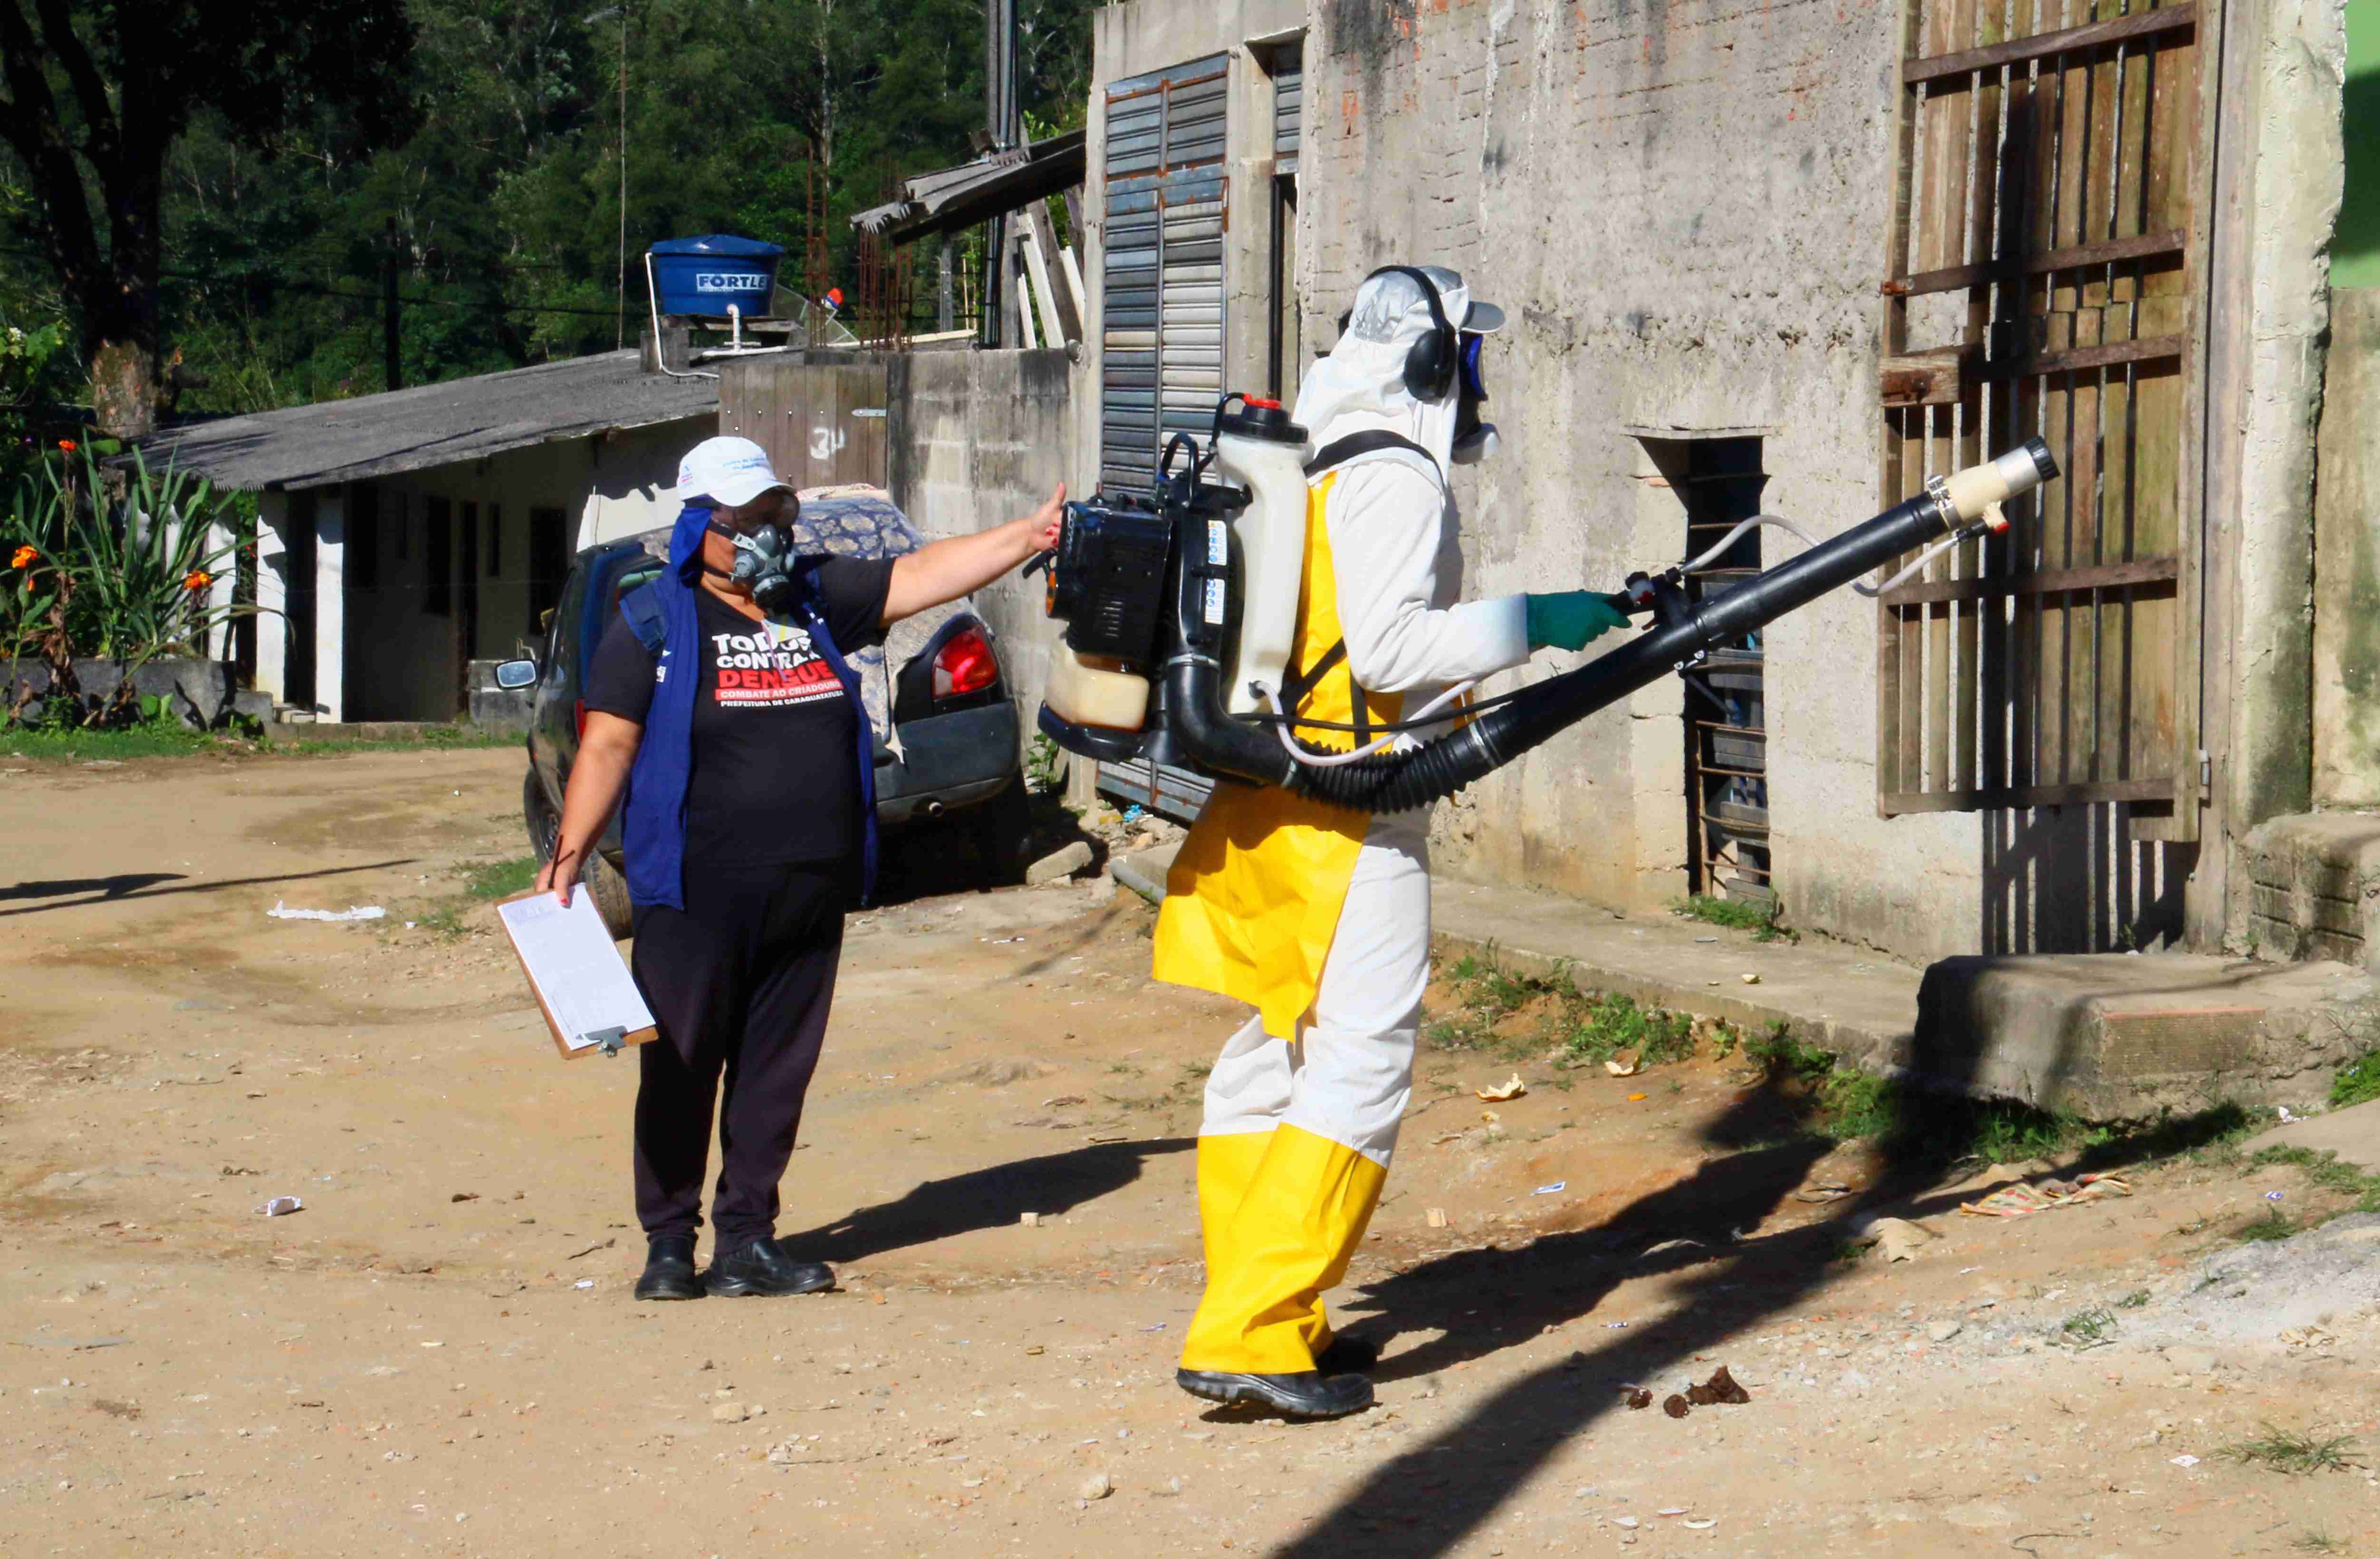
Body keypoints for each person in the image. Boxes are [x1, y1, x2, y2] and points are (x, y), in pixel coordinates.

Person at [1153, 265, 1629, 1417]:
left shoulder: (1306, 454)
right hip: (1350, 804)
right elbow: (1389, 650)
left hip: (1272, 786)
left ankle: (1272, 1314)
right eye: (1467, 359)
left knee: (1271, 1057)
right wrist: (1542, 621)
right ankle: (1255, 1327)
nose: (1474, 386)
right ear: (1429, 362)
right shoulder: (1396, 475)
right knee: (1358, 1063)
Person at [535, 435, 1061, 1302]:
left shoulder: (814, 596)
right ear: (699, 526)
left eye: (774, 512)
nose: (764, 532)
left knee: (777, 1067)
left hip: (807, 885)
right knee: (680, 1065)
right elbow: (608, 745)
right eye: (743, 519)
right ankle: (670, 1245)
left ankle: (747, 1240)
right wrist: (567, 861)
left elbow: (923, 574)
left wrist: (1029, 534)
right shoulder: (654, 621)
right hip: (693, 890)